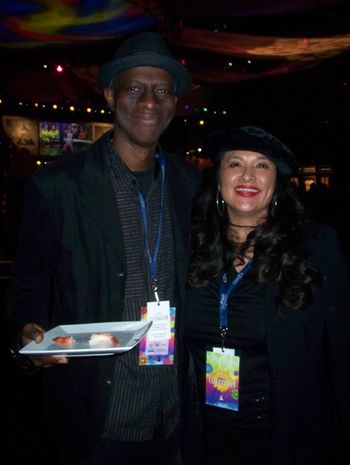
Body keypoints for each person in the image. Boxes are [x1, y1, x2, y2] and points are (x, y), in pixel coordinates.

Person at [7, 31, 199, 465]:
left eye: (162, 90)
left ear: (173, 103)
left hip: (176, 409)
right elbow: (30, 279)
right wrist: (27, 327)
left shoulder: (191, 185)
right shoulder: (58, 186)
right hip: (98, 411)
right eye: (135, 88)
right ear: (111, 95)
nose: (150, 101)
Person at [183, 126, 350, 465]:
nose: (247, 176)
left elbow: (344, 352)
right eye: (235, 164)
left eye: (262, 165)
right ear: (218, 181)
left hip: (288, 440)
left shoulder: (316, 247)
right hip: (206, 439)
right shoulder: (191, 248)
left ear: (276, 185)